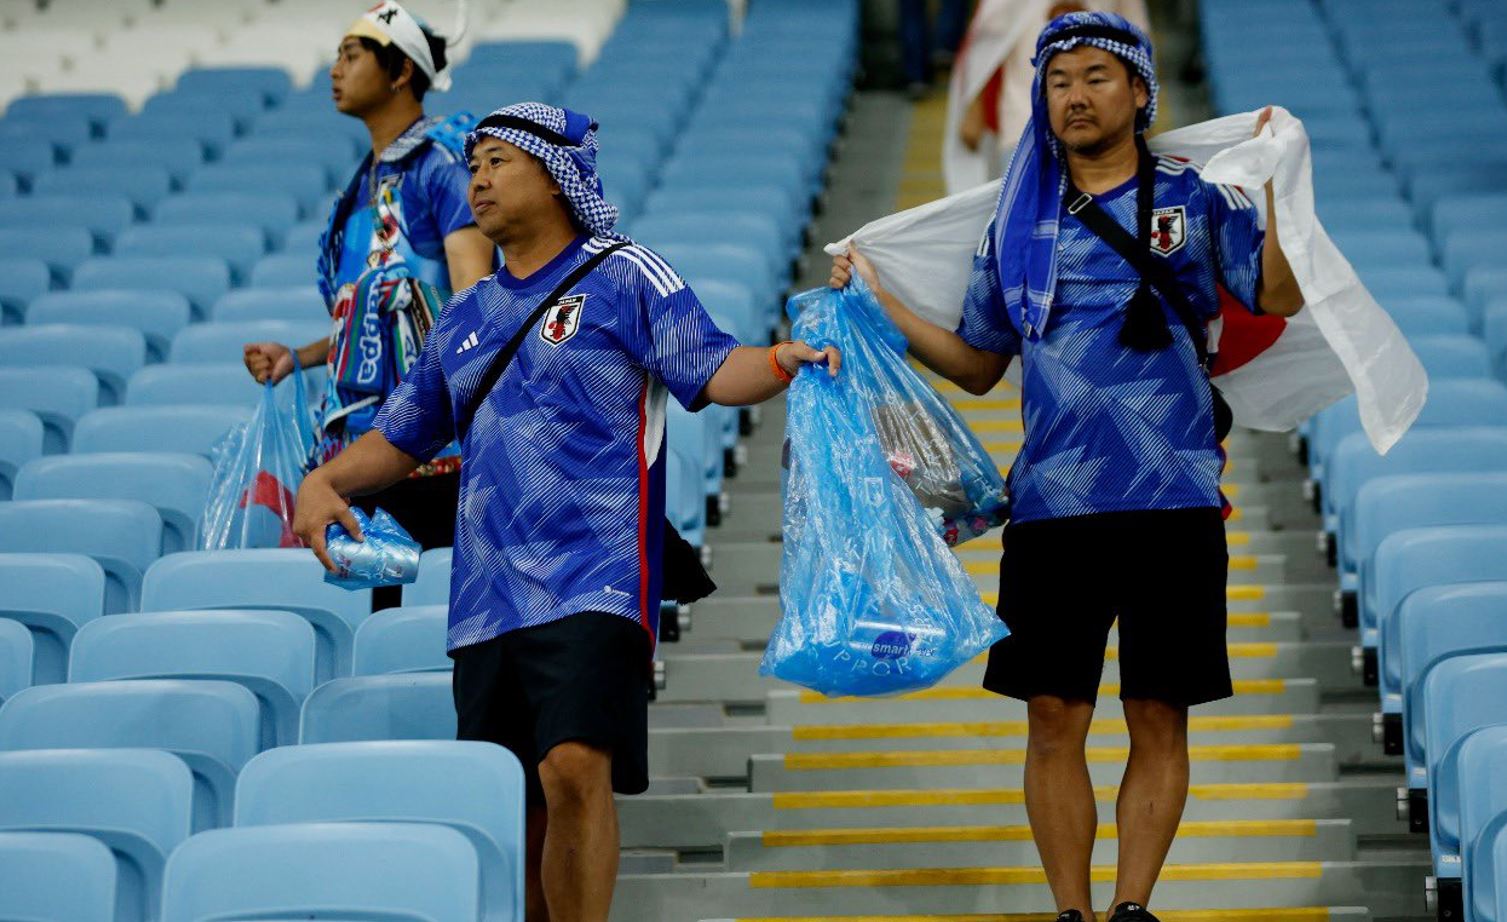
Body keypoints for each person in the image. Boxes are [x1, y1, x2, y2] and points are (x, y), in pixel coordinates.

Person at [291, 102, 839, 922]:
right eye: (472, 166)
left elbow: (713, 365)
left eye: (497, 162)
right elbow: (402, 435)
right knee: (518, 800)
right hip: (487, 595)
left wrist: (779, 362)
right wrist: (325, 481)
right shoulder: (464, 316)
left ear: (556, 177)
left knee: (574, 766)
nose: (477, 180)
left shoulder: (625, 274)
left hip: (596, 573)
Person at [831, 12, 1303, 922]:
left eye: (1095, 76)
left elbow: (1274, 294)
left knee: (1158, 713)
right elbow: (978, 365)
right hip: (1052, 504)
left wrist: (1276, 189)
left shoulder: (1195, 197)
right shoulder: (1015, 221)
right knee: (1053, 718)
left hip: (1174, 497)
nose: (1074, 95)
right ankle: (1070, 914)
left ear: (1138, 92)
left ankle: (1131, 908)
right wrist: (883, 307)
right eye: (1057, 81)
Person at [244, 0, 495, 563]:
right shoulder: (363, 183)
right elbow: (375, 320)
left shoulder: (443, 168)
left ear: (401, 70)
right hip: (361, 448)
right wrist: (299, 357)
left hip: (433, 449)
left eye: (352, 55)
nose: (335, 69)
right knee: (375, 600)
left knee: (426, 596)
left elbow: (474, 305)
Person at [946, 0, 1149, 194]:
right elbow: (988, 45)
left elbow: (1137, 41)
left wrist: (1143, 118)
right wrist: (975, 109)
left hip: (1102, 128)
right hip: (1022, 125)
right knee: (1024, 206)